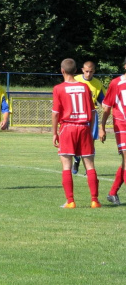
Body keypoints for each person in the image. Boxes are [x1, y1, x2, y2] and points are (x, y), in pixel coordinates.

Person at [52, 58, 100, 208]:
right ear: (77, 71)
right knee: (90, 165)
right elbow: (92, 112)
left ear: (62, 70)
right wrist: (90, 130)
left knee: (66, 165)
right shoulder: (85, 87)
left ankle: (70, 201)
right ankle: (95, 200)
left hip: (68, 127)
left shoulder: (59, 88)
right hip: (84, 127)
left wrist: (54, 133)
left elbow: (55, 113)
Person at [99, 57, 126, 205]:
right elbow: (107, 107)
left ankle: (112, 193)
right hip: (122, 125)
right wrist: (102, 127)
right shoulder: (116, 83)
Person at [72, 61, 106, 174]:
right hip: (77, 114)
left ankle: (89, 167)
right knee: (77, 141)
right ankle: (76, 161)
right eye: (86, 71)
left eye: (91, 72)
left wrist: (107, 106)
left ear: (94, 71)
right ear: (82, 70)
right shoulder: (75, 80)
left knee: (90, 142)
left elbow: (103, 100)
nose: (88, 74)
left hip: (92, 114)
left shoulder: (97, 83)